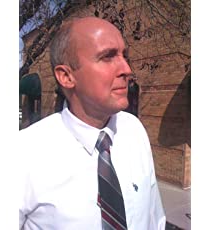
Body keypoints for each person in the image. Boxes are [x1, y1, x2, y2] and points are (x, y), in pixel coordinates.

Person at [19, 16, 166, 230]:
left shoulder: (134, 130)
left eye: (125, 56)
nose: (127, 69)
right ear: (66, 76)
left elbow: (155, 219)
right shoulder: (22, 154)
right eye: (108, 57)